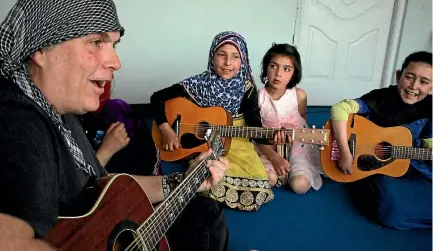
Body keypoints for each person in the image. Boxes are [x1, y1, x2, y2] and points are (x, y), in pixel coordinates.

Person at [0, 0, 229, 251]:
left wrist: (184, 181)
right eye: (96, 41)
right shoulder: (17, 120)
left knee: (204, 213)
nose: (116, 63)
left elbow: (98, 189)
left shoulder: (61, 112)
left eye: (114, 46)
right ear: (40, 49)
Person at [150, 31, 279, 211]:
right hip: (205, 144)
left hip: (237, 140)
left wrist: (272, 137)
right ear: (212, 56)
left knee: (259, 179)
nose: (228, 63)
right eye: (221, 55)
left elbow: (254, 125)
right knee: (206, 171)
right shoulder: (198, 84)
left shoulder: (247, 88)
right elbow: (157, 98)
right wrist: (166, 129)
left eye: (235, 57)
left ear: (243, 61)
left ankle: (211, 189)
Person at [330, 51, 432, 230]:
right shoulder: (381, 97)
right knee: (390, 210)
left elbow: (428, 142)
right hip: (376, 166)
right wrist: (345, 151)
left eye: (424, 82)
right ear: (399, 75)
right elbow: (340, 108)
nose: (414, 86)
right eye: (409, 77)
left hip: (413, 164)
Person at [254, 43, 323, 193]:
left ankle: (294, 170)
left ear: (294, 72)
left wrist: (292, 138)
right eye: (273, 66)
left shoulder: (299, 95)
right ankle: (276, 168)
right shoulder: (258, 97)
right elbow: (256, 134)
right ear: (266, 67)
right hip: (268, 147)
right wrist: (274, 156)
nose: (278, 73)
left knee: (300, 186)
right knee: (269, 179)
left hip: (297, 147)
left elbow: (303, 121)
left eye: (286, 69)